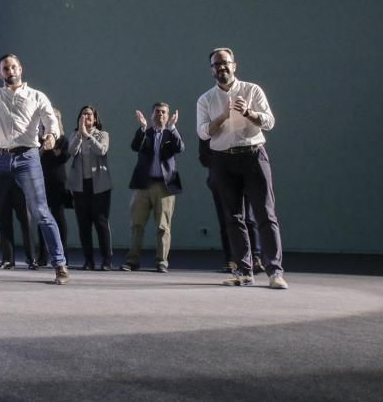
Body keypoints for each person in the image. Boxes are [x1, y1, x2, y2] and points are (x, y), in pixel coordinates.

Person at [0, 31, 69, 285]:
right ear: (0, 73)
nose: (10, 70)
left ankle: (60, 264)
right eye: (5, 68)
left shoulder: (37, 96)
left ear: (21, 69)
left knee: (41, 212)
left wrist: (51, 136)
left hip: (27, 158)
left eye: (13, 66)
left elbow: (52, 122)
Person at [196, 47, 288, 289]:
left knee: (265, 214)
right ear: (211, 70)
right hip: (222, 159)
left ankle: (274, 271)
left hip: (253, 155)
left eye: (225, 63)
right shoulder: (206, 99)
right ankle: (244, 271)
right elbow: (203, 131)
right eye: (216, 65)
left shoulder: (252, 90)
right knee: (233, 217)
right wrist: (223, 116)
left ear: (234, 65)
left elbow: (269, 122)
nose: (221, 68)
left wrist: (248, 112)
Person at [122, 103, 184, 273]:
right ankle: (132, 261)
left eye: (163, 112)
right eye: (157, 112)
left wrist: (172, 128)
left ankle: (162, 261)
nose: (160, 115)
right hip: (143, 185)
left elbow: (180, 148)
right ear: (151, 115)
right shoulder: (146, 133)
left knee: (163, 227)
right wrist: (142, 128)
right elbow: (135, 146)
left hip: (164, 187)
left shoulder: (170, 133)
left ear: (168, 115)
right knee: (137, 224)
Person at [198, 137, 264, 274]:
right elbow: (203, 157)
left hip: (242, 177)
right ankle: (232, 260)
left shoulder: (236, 127)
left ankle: (255, 257)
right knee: (226, 220)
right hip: (220, 180)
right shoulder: (208, 130)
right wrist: (220, 165)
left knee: (249, 219)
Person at [66, 105, 113, 270]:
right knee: (83, 223)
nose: (86, 116)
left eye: (89, 114)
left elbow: (102, 151)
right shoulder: (74, 135)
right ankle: (88, 260)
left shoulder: (103, 134)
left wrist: (88, 136)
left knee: (101, 222)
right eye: (83, 114)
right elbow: (71, 151)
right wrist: (80, 135)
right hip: (80, 186)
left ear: (95, 118)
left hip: (99, 185)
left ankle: (107, 260)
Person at [0, 141, 35, 270]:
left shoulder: (20, 131)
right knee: (4, 222)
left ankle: (32, 258)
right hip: (1, 181)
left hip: (20, 183)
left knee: (26, 221)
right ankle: (8, 260)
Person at [37, 109, 70, 268]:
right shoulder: (38, 139)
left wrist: (53, 143)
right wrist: (43, 145)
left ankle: (62, 254)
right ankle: (42, 256)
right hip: (41, 180)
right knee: (42, 218)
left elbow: (63, 157)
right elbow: (35, 156)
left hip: (58, 182)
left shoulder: (63, 139)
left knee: (59, 216)